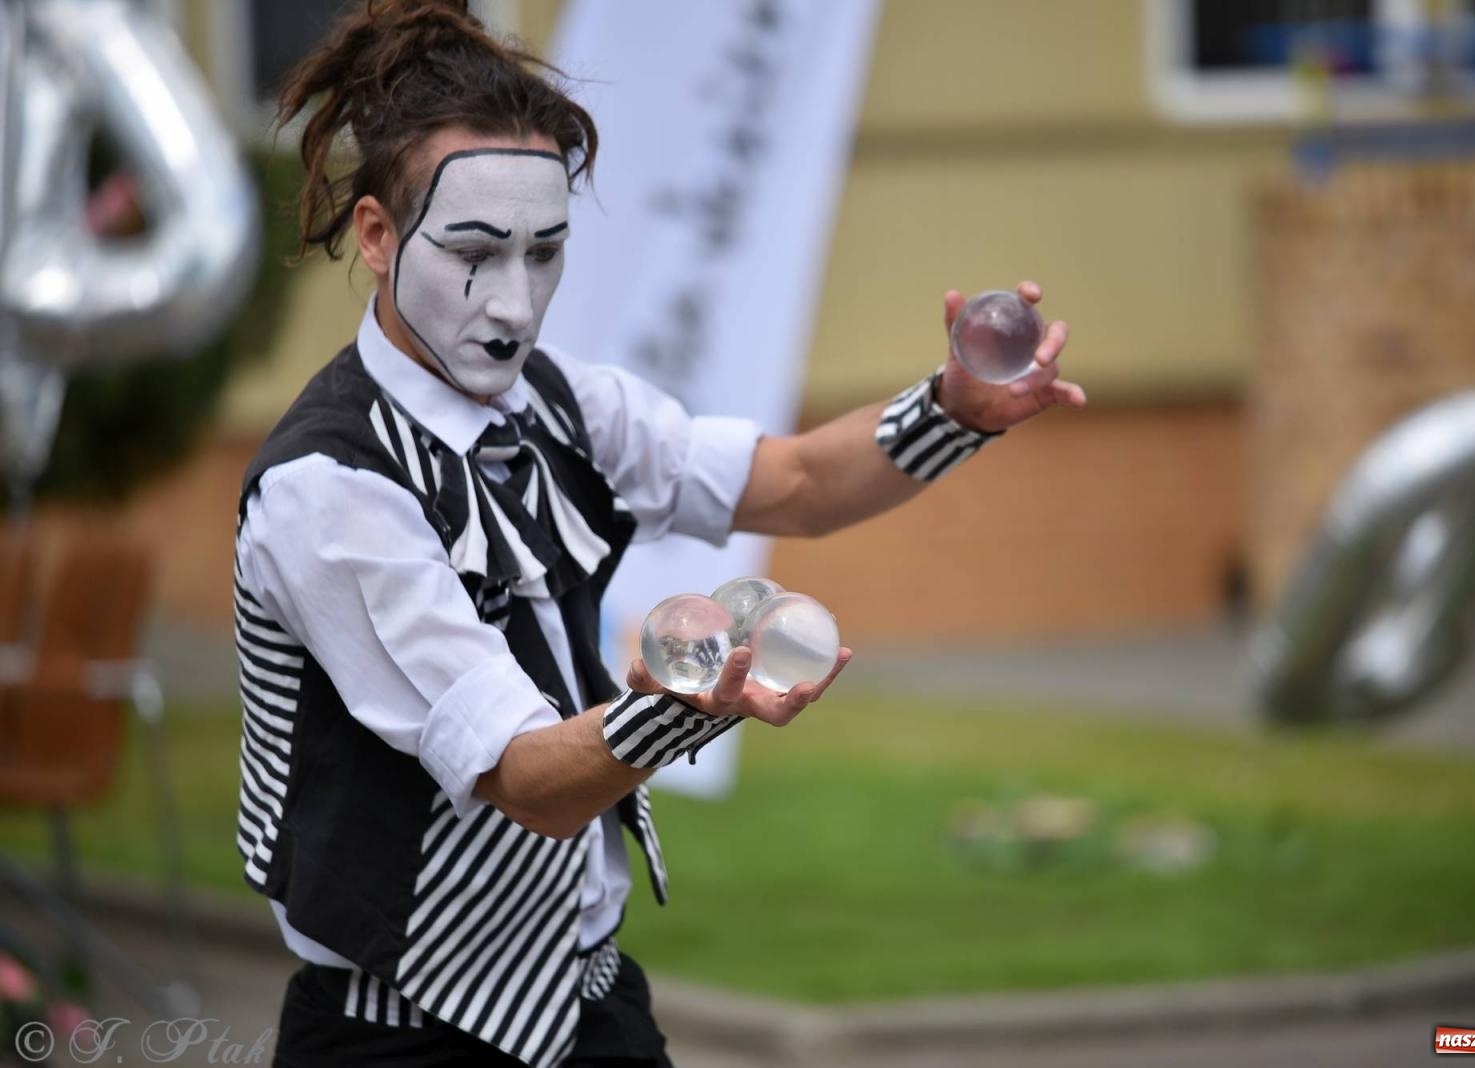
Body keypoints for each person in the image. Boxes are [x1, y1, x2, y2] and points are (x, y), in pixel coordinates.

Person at [233, 2, 1085, 1065]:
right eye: (474, 250)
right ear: (375, 234)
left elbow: (797, 482)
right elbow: (527, 780)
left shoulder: (558, 404)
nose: (514, 302)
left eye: (544, 252)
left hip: (591, 1005)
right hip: (401, 1037)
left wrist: (953, 409)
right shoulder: (330, 488)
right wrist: (681, 707)